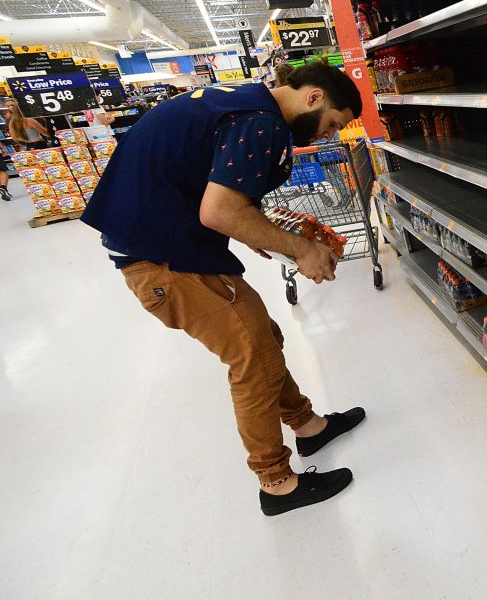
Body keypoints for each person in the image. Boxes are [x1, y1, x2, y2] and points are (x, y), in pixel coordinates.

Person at [82, 62, 368, 516]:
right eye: (333, 123)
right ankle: (276, 483)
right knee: (252, 359)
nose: (328, 136)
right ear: (314, 97)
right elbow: (220, 212)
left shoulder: (243, 100)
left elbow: (220, 196)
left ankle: (309, 426)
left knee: (263, 339)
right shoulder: (261, 124)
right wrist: (301, 250)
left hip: (167, 245)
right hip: (165, 262)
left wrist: (259, 233)